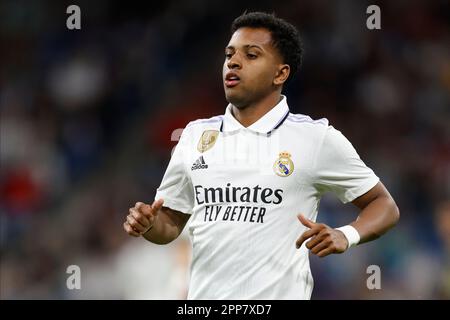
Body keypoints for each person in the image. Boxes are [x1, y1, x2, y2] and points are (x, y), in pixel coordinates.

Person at [123, 11, 400, 299]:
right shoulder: (194, 136)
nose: (233, 62)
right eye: (229, 54)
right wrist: (149, 224)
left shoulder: (315, 138)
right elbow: (170, 224)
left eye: (251, 55)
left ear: (280, 73)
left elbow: (384, 206)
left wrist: (347, 234)